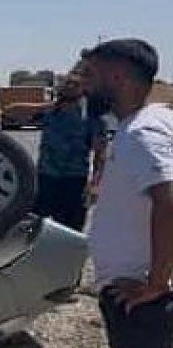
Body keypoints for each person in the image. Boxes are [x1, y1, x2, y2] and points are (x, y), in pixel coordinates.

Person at [78, 38, 173, 348]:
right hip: (140, 289)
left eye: (90, 74)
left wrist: (157, 280)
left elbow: (167, 199)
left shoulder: (142, 135)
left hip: (144, 298)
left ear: (118, 77)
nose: (82, 82)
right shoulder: (149, 123)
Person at [33, 66, 107, 232]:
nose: (70, 87)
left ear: (84, 90)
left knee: (70, 231)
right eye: (66, 83)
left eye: (75, 84)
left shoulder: (93, 119)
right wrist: (46, 105)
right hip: (45, 178)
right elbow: (13, 110)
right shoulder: (49, 113)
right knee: (34, 230)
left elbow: (100, 154)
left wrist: (95, 184)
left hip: (74, 180)